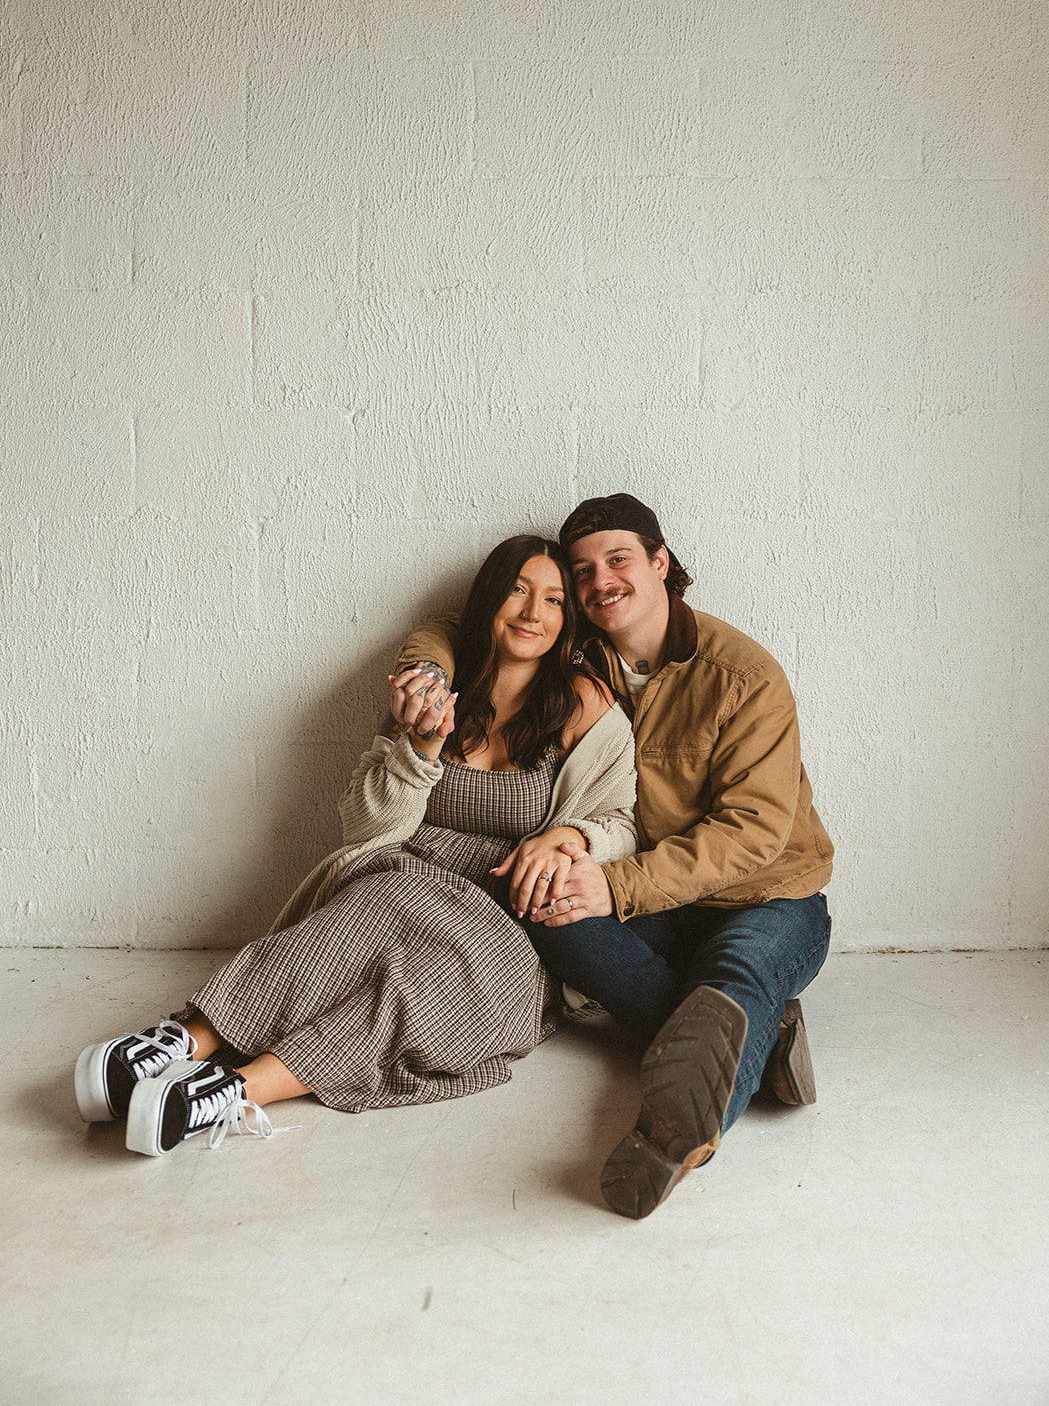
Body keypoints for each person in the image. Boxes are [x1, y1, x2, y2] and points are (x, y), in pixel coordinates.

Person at [74, 536, 637, 1158]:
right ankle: (180, 1043)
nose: (534, 613)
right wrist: (420, 747)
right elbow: (366, 828)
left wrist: (573, 836)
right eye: (518, 591)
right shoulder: (435, 690)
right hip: (410, 875)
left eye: (555, 600)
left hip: (512, 920)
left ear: (569, 621)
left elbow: (620, 820)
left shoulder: (585, 704)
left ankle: (230, 1089)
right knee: (362, 922)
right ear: (488, 601)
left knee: (440, 997)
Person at [397, 494, 833, 1219]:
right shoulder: (577, 650)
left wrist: (612, 884)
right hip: (656, 899)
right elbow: (456, 626)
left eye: (619, 559)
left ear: (662, 564)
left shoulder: (743, 675)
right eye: (582, 570)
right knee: (535, 898)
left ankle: (670, 1140)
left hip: (769, 897)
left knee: (735, 971)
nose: (600, 580)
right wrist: (427, 673)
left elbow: (752, 831)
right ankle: (761, 1034)